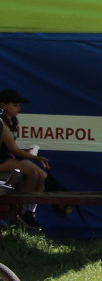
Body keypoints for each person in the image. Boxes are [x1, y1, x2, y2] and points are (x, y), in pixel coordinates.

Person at [0, 89, 48, 230]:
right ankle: (22, 210)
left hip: (8, 156)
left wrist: (31, 156)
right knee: (30, 172)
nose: (19, 109)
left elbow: (13, 149)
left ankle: (29, 211)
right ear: (3, 105)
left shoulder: (13, 120)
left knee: (42, 176)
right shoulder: (1, 122)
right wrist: (35, 157)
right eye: (15, 105)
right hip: (2, 158)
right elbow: (13, 148)